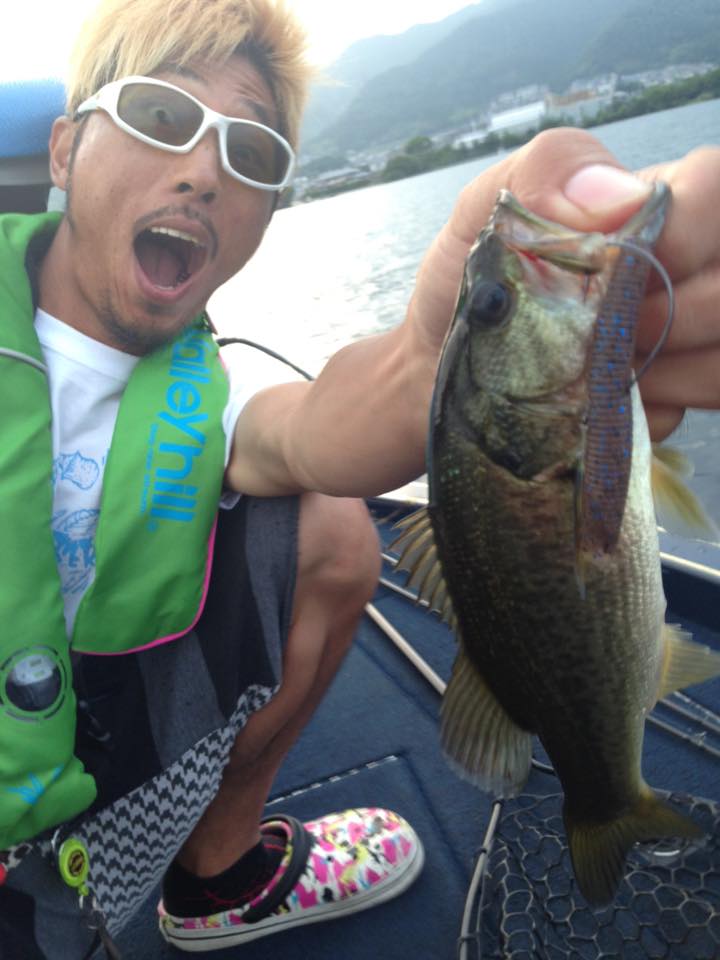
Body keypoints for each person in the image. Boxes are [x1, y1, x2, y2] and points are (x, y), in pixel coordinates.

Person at [0, 0, 718, 956]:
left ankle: (218, 873)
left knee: (334, 531)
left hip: (79, 810)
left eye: (250, 152)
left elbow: (323, 423)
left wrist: (438, 347)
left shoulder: (204, 385)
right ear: (63, 150)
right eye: (161, 116)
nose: (204, 171)